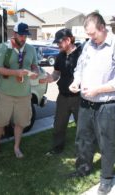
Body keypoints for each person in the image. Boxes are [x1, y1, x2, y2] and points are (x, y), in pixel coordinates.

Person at [69, 12, 115, 195]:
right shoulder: (89, 45)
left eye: (93, 34)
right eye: (88, 35)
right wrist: (76, 81)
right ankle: (83, 168)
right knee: (83, 139)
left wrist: (98, 89)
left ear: (103, 28)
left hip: (108, 105)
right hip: (86, 102)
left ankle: (106, 179)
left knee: (106, 142)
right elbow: (80, 68)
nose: (90, 38)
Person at [0, 22, 39, 159]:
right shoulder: (3, 48)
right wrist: (16, 73)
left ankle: (16, 147)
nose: (23, 38)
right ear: (14, 34)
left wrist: (35, 72)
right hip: (5, 94)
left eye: (25, 36)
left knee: (20, 123)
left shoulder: (31, 49)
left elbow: (35, 66)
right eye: (21, 35)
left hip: (24, 95)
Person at [39, 28, 81, 156]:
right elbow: (57, 73)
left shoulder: (82, 54)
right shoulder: (60, 56)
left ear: (68, 40)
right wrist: (49, 79)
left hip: (79, 97)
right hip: (63, 96)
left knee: (83, 126)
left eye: (59, 42)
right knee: (58, 124)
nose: (58, 45)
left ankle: (83, 150)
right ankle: (57, 148)